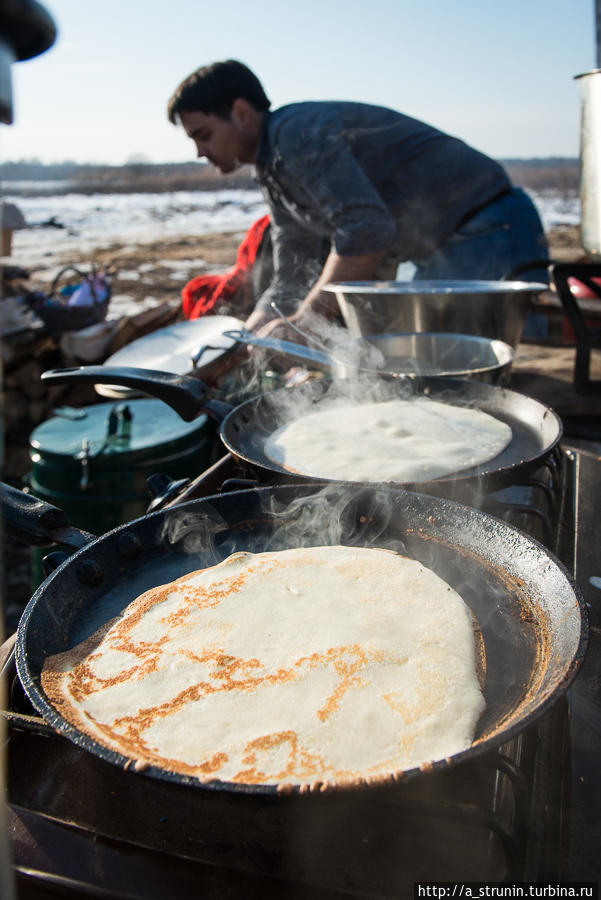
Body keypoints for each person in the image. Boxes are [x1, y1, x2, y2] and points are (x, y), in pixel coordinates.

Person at [167, 60, 549, 340]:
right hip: (441, 246)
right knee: (423, 360)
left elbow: (366, 231)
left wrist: (304, 323)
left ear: (240, 113)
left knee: (465, 365)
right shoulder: (273, 171)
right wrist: (244, 339)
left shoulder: (297, 136)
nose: (200, 152)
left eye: (203, 134)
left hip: (488, 227)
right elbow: (291, 275)